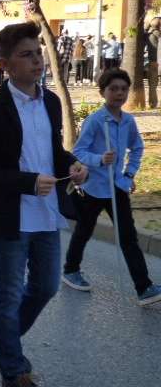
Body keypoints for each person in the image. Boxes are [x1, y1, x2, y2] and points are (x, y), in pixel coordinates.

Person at [0, 22, 88, 387]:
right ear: (5, 65)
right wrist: (27, 182)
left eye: (38, 53)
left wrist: (72, 165)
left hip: (46, 213)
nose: (37, 60)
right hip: (11, 216)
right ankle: (14, 370)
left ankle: (4, 336)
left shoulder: (50, 102)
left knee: (46, 286)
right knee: (8, 294)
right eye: (26, 55)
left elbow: (53, 151)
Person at [62, 69, 161, 306]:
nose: (119, 93)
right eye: (113, 89)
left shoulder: (128, 121)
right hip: (93, 188)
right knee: (84, 230)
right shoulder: (96, 120)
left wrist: (128, 174)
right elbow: (79, 152)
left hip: (117, 187)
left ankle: (144, 287)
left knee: (128, 237)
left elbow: (137, 148)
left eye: (123, 89)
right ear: (103, 92)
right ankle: (70, 270)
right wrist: (99, 159)